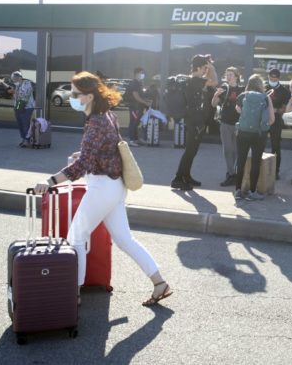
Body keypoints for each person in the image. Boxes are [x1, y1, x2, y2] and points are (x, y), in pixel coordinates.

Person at [33, 71, 172, 307]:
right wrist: (85, 155)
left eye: (75, 93)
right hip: (115, 186)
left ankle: (73, 293)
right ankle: (159, 283)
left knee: (76, 237)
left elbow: (84, 164)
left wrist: (50, 182)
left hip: (102, 187)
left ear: (88, 96)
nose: (71, 97)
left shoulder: (96, 122)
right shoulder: (106, 116)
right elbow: (104, 151)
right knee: (125, 240)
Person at [170, 54, 218, 190]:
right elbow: (214, 81)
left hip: (196, 119)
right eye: (204, 68)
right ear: (198, 67)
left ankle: (186, 176)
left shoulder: (196, 80)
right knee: (190, 150)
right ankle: (178, 178)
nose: (205, 70)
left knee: (193, 150)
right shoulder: (194, 80)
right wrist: (212, 67)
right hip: (194, 120)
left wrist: (207, 66)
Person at [233, 74, 275, 200]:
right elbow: (272, 119)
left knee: (241, 161)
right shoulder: (266, 98)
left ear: (249, 84)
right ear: (261, 85)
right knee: (256, 162)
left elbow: (239, 111)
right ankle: (252, 192)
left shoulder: (242, 96)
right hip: (258, 134)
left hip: (243, 132)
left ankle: (238, 190)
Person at [212, 67, 244, 186]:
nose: (228, 76)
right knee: (227, 149)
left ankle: (233, 172)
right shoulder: (224, 88)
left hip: (238, 124)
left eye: (231, 74)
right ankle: (231, 174)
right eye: (227, 74)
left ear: (236, 76)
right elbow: (213, 104)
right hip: (225, 123)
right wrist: (215, 95)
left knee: (236, 150)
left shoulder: (242, 89)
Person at [265, 68, 291, 179]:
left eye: (274, 78)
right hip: (264, 121)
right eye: (271, 78)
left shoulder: (284, 91)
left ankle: (275, 172)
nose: (272, 80)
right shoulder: (264, 87)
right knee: (259, 145)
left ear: (278, 78)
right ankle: (261, 169)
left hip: (276, 121)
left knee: (276, 147)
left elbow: (283, 109)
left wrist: (274, 110)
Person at [124, 67, 152, 147]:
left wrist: (146, 101)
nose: (143, 75)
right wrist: (145, 103)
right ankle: (132, 140)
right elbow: (136, 96)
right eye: (141, 73)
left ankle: (136, 139)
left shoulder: (139, 83)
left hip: (138, 107)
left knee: (136, 122)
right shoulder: (134, 83)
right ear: (137, 74)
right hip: (134, 107)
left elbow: (140, 95)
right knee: (133, 122)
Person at [8, 71, 36, 147]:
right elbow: (16, 97)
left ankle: (27, 140)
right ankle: (23, 139)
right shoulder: (17, 85)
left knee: (25, 123)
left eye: (15, 78)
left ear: (20, 78)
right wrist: (13, 92)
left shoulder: (26, 83)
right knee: (20, 123)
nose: (14, 80)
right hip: (19, 105)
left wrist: (14, 92)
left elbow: (24, 95)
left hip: (27, 106)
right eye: (13, 79)